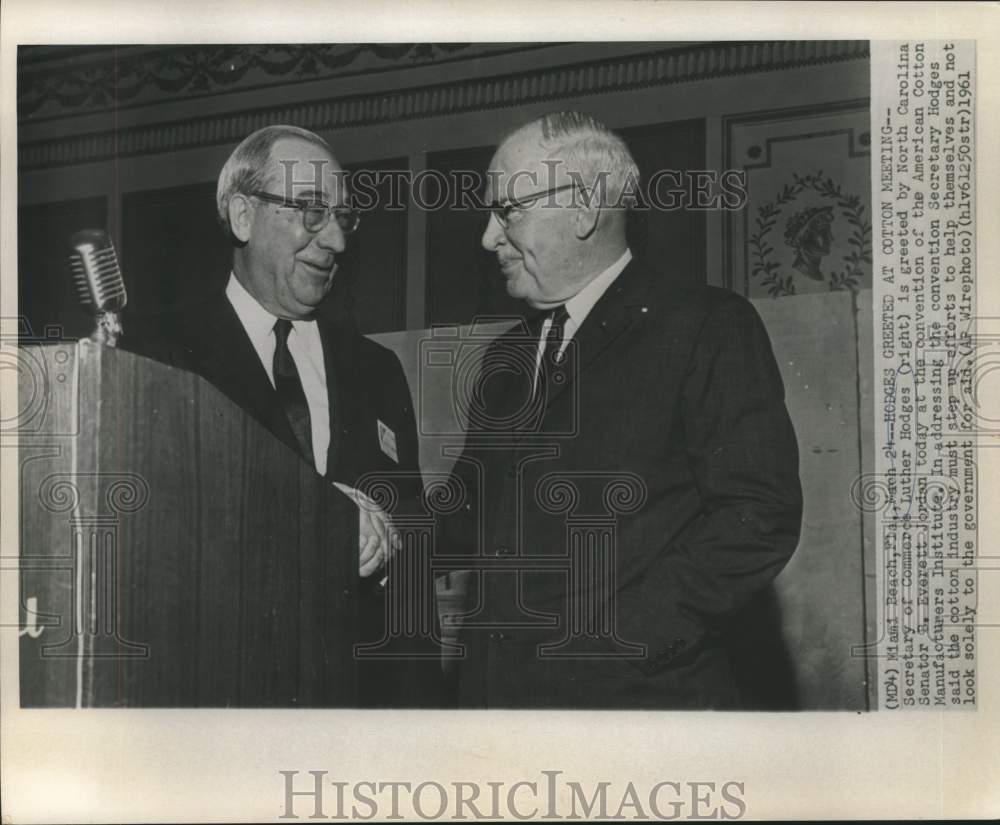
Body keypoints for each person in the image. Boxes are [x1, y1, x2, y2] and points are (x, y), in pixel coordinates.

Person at [441, 111, 803, 709]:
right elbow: (465, 513)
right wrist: (364, 526)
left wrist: (625, 643)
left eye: (507, 211)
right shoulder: (505, 357)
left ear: (584, 209)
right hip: (498, 718)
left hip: (639, 711)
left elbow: (758, 515)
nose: (487, 238)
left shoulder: (705, 326)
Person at [136, 124, 443, 706]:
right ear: (243, 216)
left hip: (360, 715)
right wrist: (318, 516)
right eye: (310, 212)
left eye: (344, 218)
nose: (336, 242)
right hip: (219, 702)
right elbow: (150, 531)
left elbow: (412, 566)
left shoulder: (377, 370)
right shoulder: (159, 355)